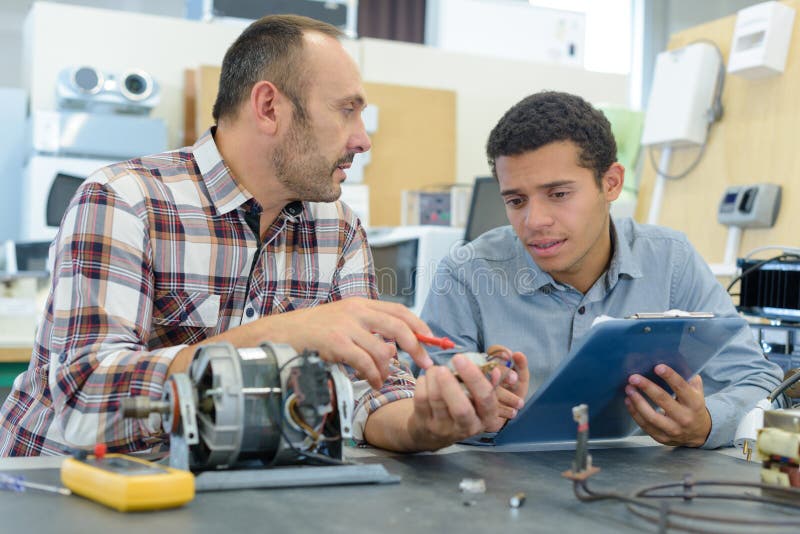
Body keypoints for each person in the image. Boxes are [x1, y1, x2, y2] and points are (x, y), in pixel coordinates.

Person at [0, 15, 524, 456]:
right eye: (347, 110)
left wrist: (428, 424)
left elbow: (369, 394)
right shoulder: (125, 199)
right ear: (269, 107)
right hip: (58, 489)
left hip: (214, 495)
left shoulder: (337, 228)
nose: (362, 139)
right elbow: (87, 403)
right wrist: (279, 336)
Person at [421, 91, 784, 449]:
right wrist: (466, 415)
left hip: (642, 492)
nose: (535, 221)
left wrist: (706, 424)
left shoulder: (671, 260)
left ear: (610, 183)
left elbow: (761, 382)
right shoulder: (466, 272)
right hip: (499, 493)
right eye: (516, 201)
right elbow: (422, 402)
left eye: (559, 194)